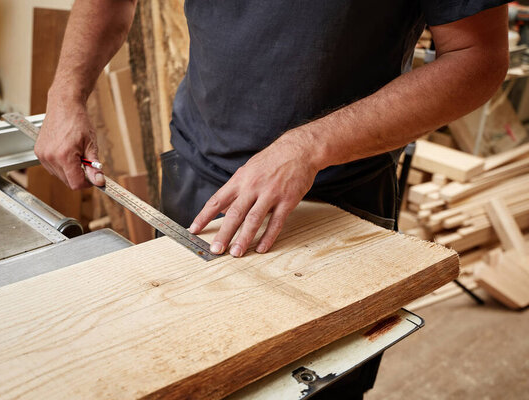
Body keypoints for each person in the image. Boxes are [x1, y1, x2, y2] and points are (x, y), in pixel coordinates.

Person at [35, 1, 509, 397]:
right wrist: (64, 95)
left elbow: (477, 57)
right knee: (184, 375)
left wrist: (309, 147)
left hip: (338, 200)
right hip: (201, 177)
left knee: (318, 388)